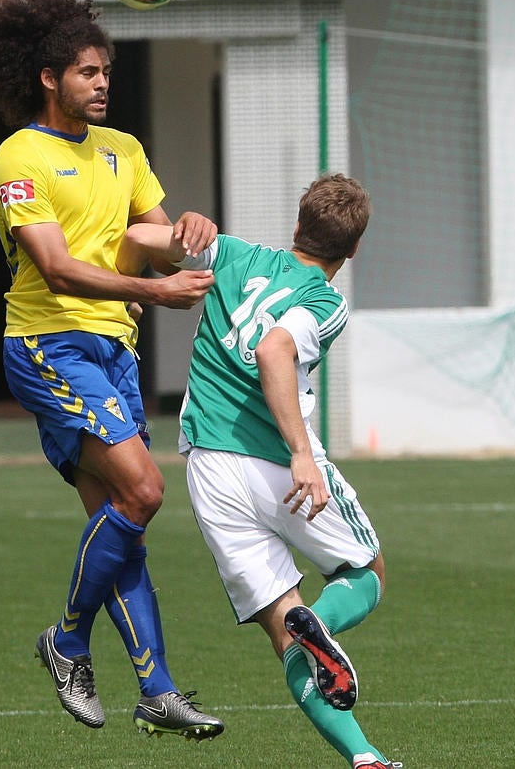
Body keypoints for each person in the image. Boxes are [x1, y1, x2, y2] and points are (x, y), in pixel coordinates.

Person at [0, 0, 224, 741]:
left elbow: (152, 232)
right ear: (49, 78)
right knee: (144, 489)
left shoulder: (125, 150)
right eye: (86, 72)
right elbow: (58, 268)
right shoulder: (20, 155)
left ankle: (158, 690)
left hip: (114, 351)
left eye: (105, 70)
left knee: (122, 521)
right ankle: (68, 641)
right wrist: (155, 287)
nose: (102, 81)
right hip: (48, 347)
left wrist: (185, 233)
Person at [117, 173, 403, 768]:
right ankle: (319, 625)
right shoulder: (325, 302)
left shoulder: (234, 252)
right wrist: (302, 453)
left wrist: (179, 237)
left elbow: (134, 235)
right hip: (276, 462)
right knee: (366, 570)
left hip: (208, 468)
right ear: (354, 250)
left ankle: (365, 758)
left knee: (283, 634)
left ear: (297, 226)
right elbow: (275, 349)